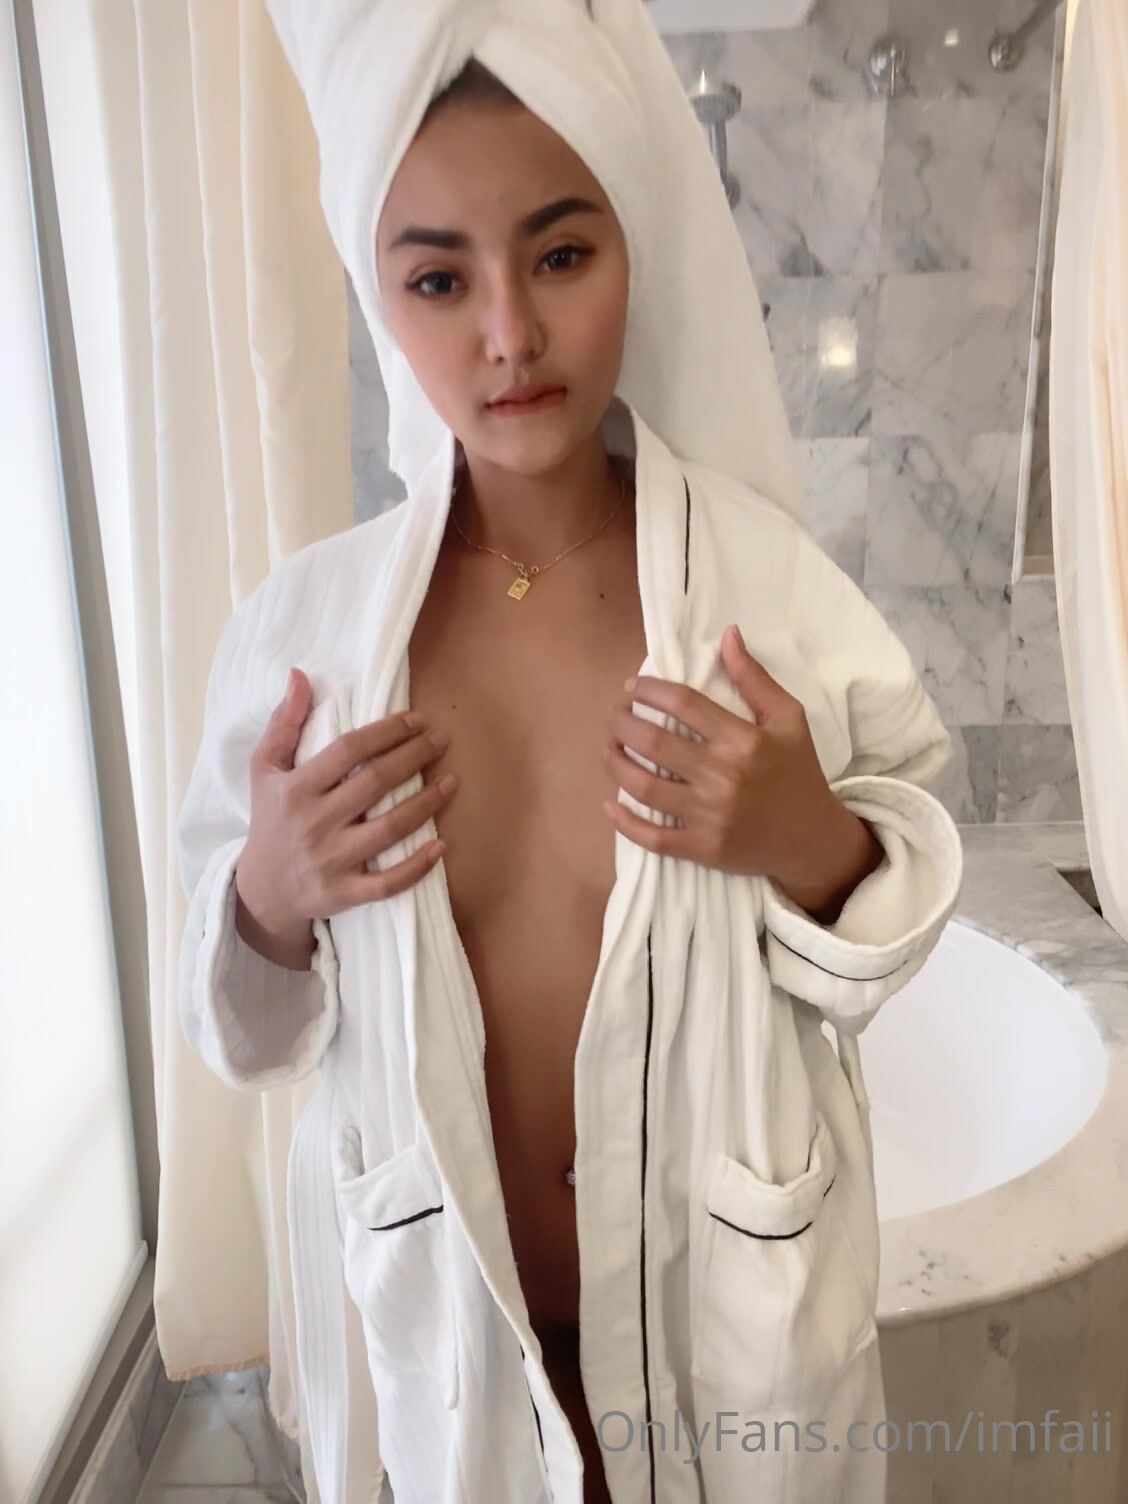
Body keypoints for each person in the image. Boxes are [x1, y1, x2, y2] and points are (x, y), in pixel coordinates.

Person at [177, 9, 964, 1503]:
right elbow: (242, 1036)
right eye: (438, 278)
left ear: (633, 243)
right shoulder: (306, 645)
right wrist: (266, 901)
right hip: (458, 1344)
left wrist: (809, 837)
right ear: (379, 291)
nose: (509, 335)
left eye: (558, 255)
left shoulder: (768, 593)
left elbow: (902, 904)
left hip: (723, 1330)